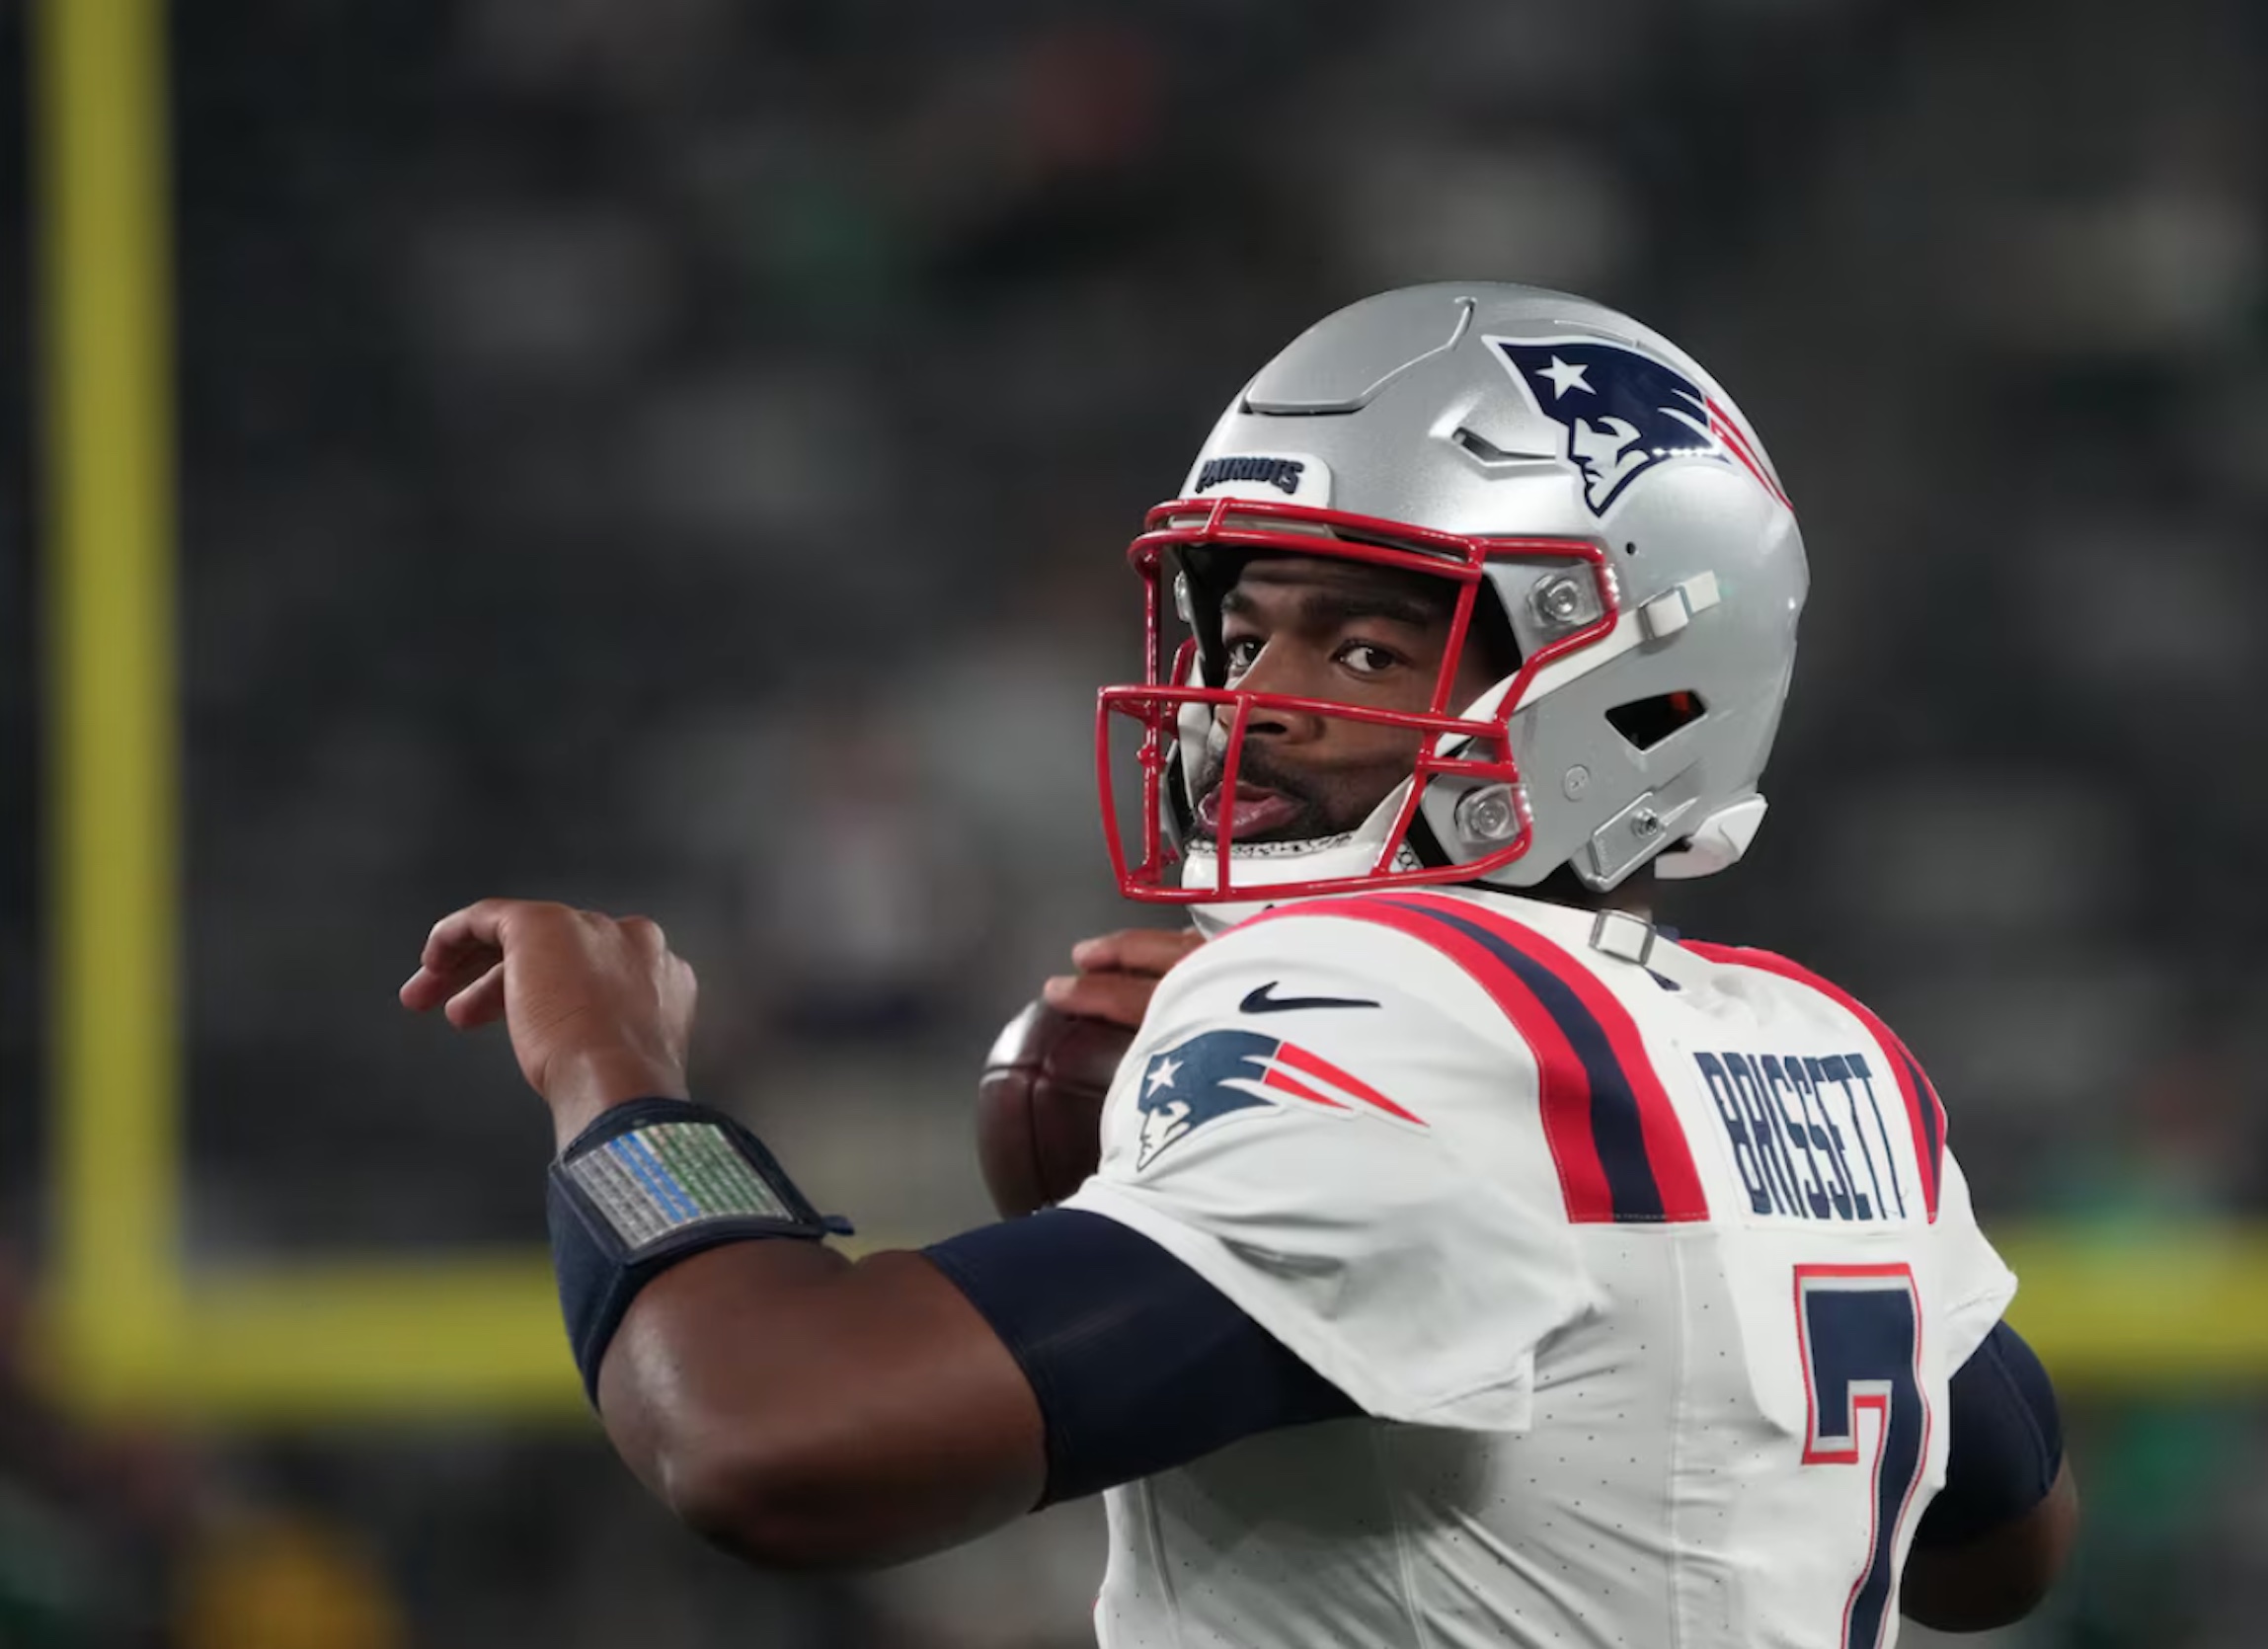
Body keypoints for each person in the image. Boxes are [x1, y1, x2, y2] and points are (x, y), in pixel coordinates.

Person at [402, 284, 2076, 1647]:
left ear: (1643, 687)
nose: (1250, 700)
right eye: (1237, 629)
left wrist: (612, 1076)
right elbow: (1993, 1543)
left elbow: (763, 1437)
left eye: (1361, 645)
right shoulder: (1818, 1047)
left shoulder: (1385, 1010)